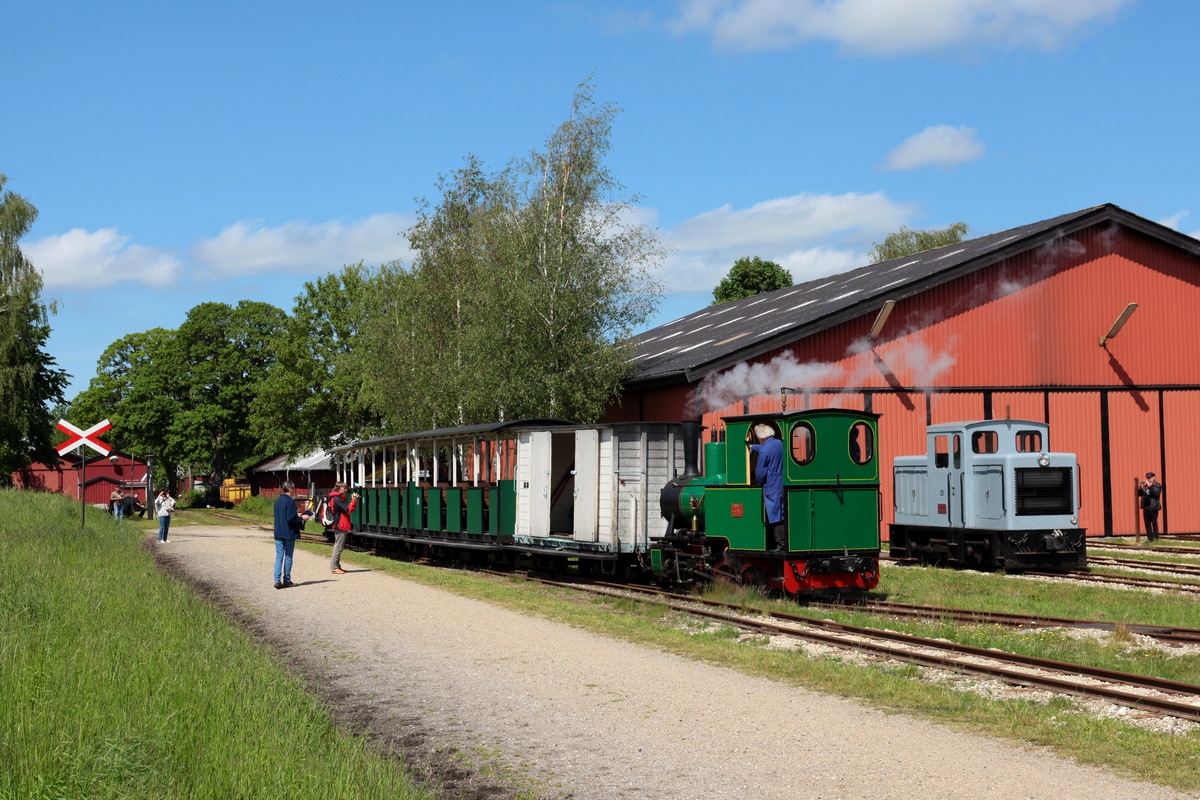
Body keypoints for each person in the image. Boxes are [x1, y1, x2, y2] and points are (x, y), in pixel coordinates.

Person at [749, 422, 786, 554]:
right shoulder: (779, 444)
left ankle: (781, 544)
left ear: (761, 438)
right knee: (782, 511)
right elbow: (764, 447)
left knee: (775, 513)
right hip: (782, 481)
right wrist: (752, 447)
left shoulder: (765, 451)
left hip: (772, 484)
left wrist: (759, 483)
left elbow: (760, 472)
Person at [273, 481, 312, 589]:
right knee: (288, 556)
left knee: (279, 556)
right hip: (289, 532)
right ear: (290, 489)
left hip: (278, 531)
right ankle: (287, 580)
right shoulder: (290, 501)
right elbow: (291, 518)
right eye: (293, 489)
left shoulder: (278, 500)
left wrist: (296, 515)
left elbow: (284, 515)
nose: (294, 491)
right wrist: (302, 518)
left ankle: (277, 580)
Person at [327, 482, 359, 575]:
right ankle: (334, 567)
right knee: (338, 547)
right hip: (340, 525)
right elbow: (347, 509)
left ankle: (337, 566)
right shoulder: (336, 499)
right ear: (339, 489)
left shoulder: (337, 498)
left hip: (341, 524)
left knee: (339, 546)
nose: (346, 490)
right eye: (344, 488)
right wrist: (353, 501)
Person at [1139, 472, 1164, 541]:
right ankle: (1150, 539)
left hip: (1153, 506)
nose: (1148, 479)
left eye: (1150, 478)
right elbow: (1141, 494)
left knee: (1154, 523)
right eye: (1147, 478)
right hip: (1146, 506)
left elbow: (1155, 493)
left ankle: (1156, 538)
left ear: (1153, 478)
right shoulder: (1145, 486)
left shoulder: (1157, 485)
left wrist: (1150, 486)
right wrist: (1139, 487)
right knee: (1147, 524)